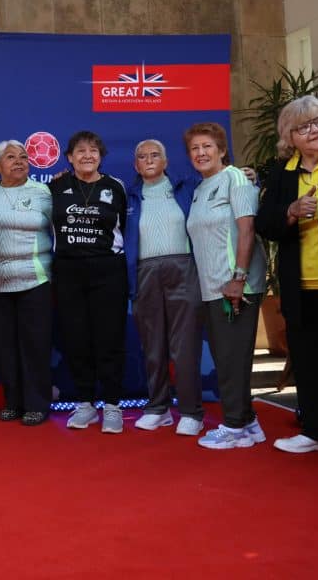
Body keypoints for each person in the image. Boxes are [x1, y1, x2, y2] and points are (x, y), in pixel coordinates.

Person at [255, 96, 318, 477]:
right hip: (302, 285)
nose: (316, 130)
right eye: (305, 126)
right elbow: (265, 224)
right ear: (289, 137)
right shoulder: (283, 172)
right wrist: (290, 213)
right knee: (312, 365)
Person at [184, 122, 267, 449]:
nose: (201, 153)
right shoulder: (200, 188)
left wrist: (239, 277)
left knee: (232, 359)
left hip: (236, 287)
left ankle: (233, 427)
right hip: (212, 286)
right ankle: (247, 423)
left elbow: (247, 230)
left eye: (207, 146)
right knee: (227, 357)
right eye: (194, 148)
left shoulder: (234, 177)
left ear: (221, 150)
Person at [49, 130, 129, 434]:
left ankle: (112, 405)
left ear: (101, 156)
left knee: (109, 338)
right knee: (76, 338)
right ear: (69, 157)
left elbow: (127, 227)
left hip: (108, 269)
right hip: (69, 271)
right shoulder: (55, 187)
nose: (87, 156)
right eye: (80, 151)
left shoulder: (115, 187)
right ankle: (85, 403)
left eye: (93, 150)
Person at [124, 139, 205, 436]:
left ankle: (190, 411)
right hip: (144, 272)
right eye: (141, 156)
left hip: (183, 268)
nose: (148, 160)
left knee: (184, 346)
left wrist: (249, 175)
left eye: (155, 155)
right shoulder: (129, 196)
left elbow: (221, 178)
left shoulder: (187, 187)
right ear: (135, 165)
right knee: (153, 346)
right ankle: (158, 408)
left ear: (166, 161)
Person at [0, 140, 53, 425]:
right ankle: (13, 401)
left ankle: (37, 403)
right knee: (5, 347)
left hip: (35, 279)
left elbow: (56, 228)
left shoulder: (42, 192)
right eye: (11, 157)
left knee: (34, 346)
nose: (19, 161)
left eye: (23, 157)